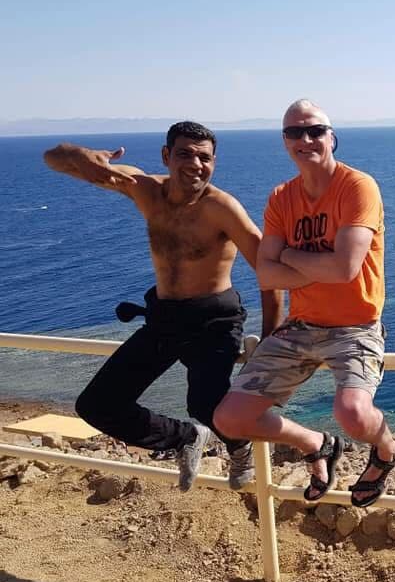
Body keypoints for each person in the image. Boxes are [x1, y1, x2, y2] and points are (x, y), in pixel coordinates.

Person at [42, 122, 282, 491]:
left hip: (214, 320)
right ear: (166, 156)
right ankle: (184, 437)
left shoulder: (222, 208)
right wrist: (80, 155)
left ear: (214, 163)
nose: (196, 164)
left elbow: (270, 273)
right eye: (185, 154)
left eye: (205, 158)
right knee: (97, 405)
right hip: (165, 317)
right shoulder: (144, 189)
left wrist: (269, 342)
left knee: (206, 404)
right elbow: (52, 158)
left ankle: (239, 446)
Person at [213, 99, 395, 507]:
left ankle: (386, 449)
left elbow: (345, 269)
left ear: (332, 138)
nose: (306, 139)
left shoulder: (357, 187)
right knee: (229, 419)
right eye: (294, 132)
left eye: (315, 130)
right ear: (285, 141)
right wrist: (320, 265)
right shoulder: (282, 197)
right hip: (301, 326)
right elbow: (267, 276)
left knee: (353, 414)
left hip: (355, 325)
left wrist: (289, 256)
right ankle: (315, 444)